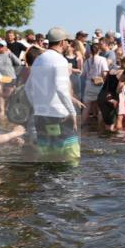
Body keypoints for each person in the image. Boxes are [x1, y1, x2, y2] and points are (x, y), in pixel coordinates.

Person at [24, 27, 80, 162]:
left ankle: (48, 182)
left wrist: (37, 106)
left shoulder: (38, 60)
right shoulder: (60, 60)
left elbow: (27, 88)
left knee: (48, 156)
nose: (69, 44)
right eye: (68, 41)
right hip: (59, 116)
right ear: (62, 42)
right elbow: (61, 89)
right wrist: (72, 112)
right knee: (71, 157)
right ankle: (66, 182)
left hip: (41, 116)